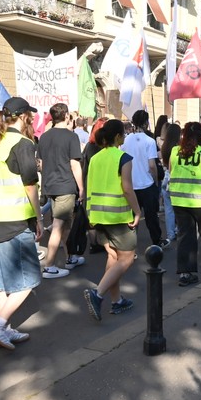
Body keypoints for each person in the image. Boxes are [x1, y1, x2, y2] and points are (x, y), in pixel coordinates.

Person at [0, 97, 43, 350]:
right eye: (31, 115)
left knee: (5, 283)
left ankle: (3, 329)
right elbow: (30, 184)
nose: (33, 119)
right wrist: (38, 217)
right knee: (28, 280)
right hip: (14, 219)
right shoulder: (22, 143)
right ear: (24, 116)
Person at [82, 120, 141, 321]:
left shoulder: (96, 157)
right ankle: (97, 294)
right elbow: (127, 188)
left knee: (114, 257)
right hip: (118, 216)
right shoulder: (123, 158)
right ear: (117, 137)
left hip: (98, 216)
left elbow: (89, 186)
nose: (125, 137)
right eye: (123, 134)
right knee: (127, 258)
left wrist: (90, 215)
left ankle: (116, 301)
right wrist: (137, 212)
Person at [169, 122, 201, 286]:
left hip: (179, 200)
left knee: (185, 236)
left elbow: (171, 171)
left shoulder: (175, 151)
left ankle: (186, 273)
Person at [37, 103, 84, 278]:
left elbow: (41, 163)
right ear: (66, 116)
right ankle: (49, 266)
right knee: (58, 226)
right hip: (65, 185)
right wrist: (82, 188)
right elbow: (75, 165)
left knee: (64, 225)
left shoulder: (44, 137)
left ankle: (70, 257)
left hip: (51, 185)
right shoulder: (71, 137)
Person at [121, 110, 162, 247]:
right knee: (151, 216)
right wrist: (155, 180)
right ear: (146, 123)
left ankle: (130, 244)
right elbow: (152, 165)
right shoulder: (150, 141)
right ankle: (157, 241)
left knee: (132, 216)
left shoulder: (126, 140)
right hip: (147, 183)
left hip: (130, 183)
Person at [81, 118, 108, 254]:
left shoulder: (88, 146)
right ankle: (103, 242)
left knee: (90, 216)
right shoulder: (104, 149)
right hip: (101, 185)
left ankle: (93, 244)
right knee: (102, 215)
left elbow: (83, 167)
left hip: (89, 184)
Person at [159, 123, 182, 245]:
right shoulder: (178, 149)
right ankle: (178, 230)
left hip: (166, 178)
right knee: (178, 208)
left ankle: (170, 234)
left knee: (168, 209)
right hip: (176, 179)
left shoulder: (164, 147)